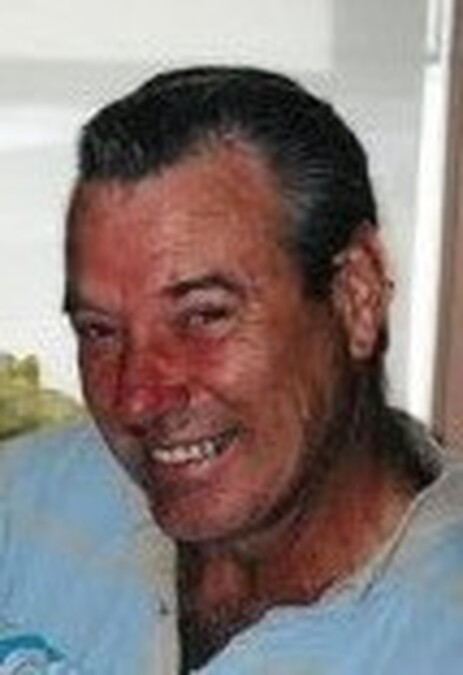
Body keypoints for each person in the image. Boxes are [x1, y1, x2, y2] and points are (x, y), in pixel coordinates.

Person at [0, 66, 462, 674]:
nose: (137, 398)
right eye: (99, 331)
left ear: (357, 296)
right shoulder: (26, 504)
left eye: (203, 316)